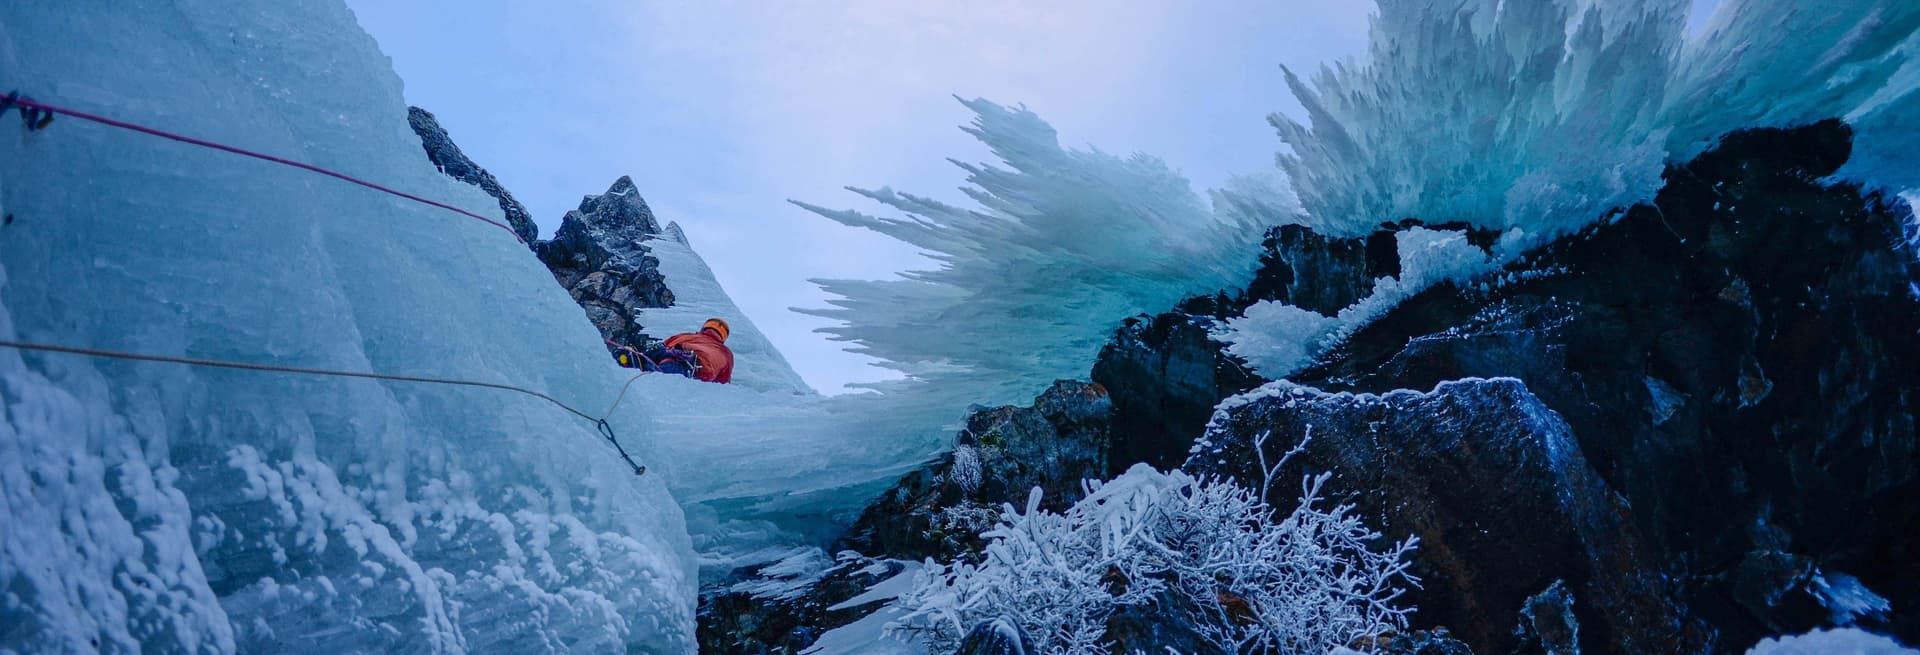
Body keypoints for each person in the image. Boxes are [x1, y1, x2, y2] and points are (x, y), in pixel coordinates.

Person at [615, 318, 734, 384]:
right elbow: (723, 384)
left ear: (704, 328)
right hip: (690, 367)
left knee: (657, 354)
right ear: (723, 337)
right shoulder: (726, 353)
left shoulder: (685, 335)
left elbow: (663, 345)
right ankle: (645, 366)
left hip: (669, 354)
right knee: (660, 376)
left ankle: (636, 359)